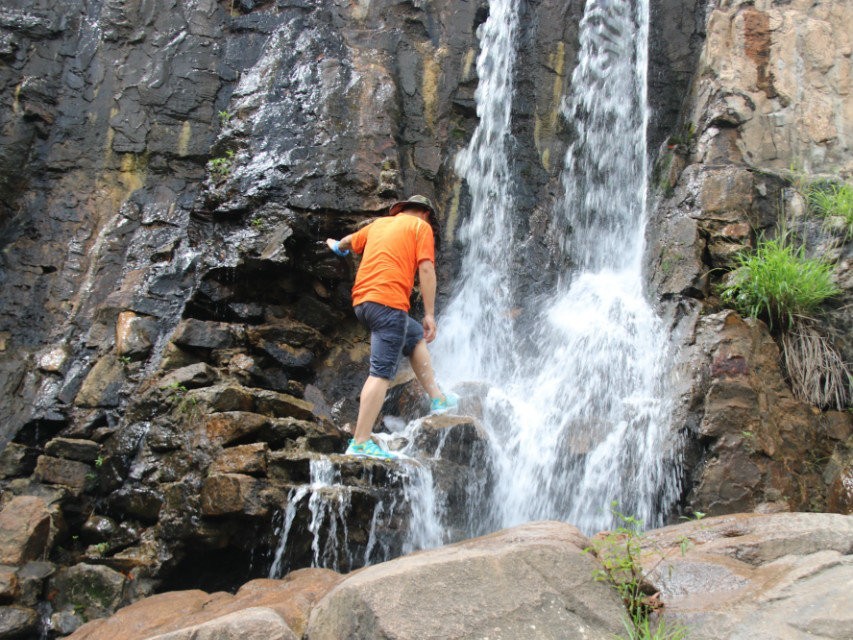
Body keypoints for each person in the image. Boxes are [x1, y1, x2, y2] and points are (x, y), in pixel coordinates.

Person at [326, 195, 458, 460]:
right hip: (388, 304)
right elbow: (427, 269)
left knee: (413, 335)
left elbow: (347, 242)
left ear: (401, 211)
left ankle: (438, 399)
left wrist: (335, 245)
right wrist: (430, 314)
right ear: (426, 215)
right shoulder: (420, 228)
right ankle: (361, 441)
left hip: (363, 304)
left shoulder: (378, 225)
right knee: (381, 373)